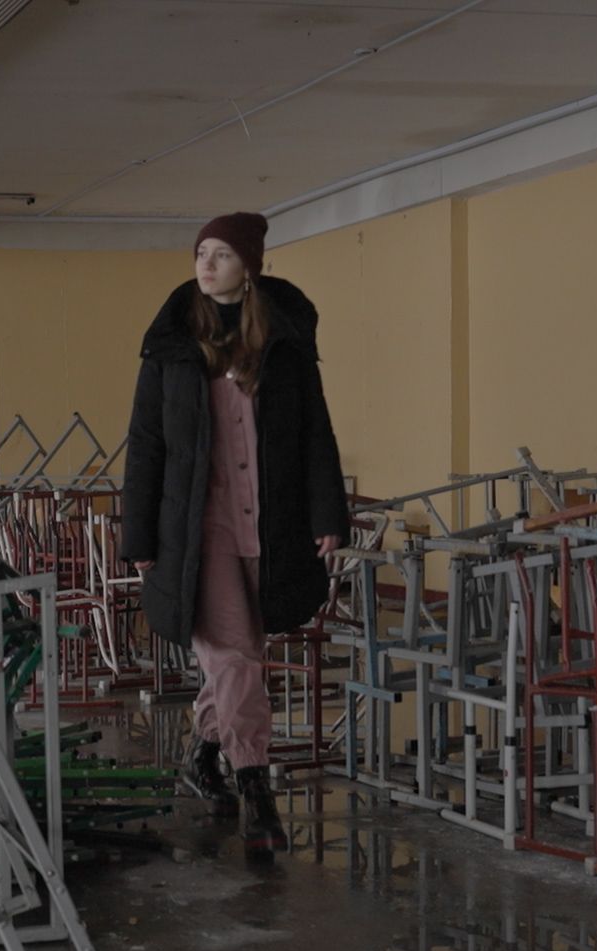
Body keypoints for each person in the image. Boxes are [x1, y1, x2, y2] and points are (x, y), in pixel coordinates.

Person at [122, 212, 349, 855]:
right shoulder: (170, 344)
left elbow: (314, 432)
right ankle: (256, 786)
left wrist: (328, 514)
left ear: (248, 266)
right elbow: (145, 443)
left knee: (239, 653)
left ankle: (202, 754)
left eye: (221, 254)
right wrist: (138, 535)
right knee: (236, 655)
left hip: (271, 524)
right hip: (199, 532)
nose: (206, 264)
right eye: (201, 253)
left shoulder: (283, 342)